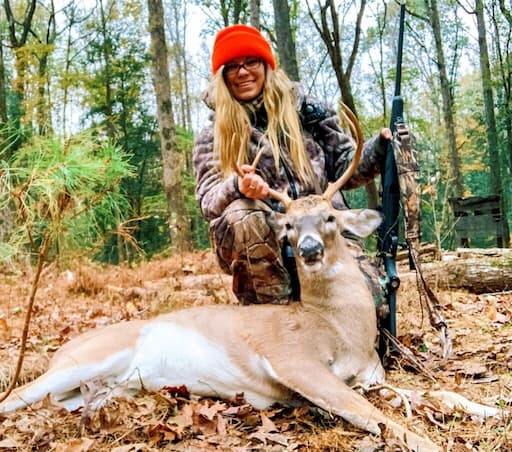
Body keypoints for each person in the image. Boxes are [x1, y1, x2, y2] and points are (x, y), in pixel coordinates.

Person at [193, 24, 391, 306]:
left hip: (324, 230)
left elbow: (346, 167)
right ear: (222, 77)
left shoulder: (307, 114)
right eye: (232, 66)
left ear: (266, 65)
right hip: (267, 241)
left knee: (372, 302)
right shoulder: (211, 135)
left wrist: (380, 147)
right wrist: (238, 186)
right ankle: (272, 313)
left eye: (251, 62)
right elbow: (208, 201)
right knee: (241, 213)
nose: (243, 72)